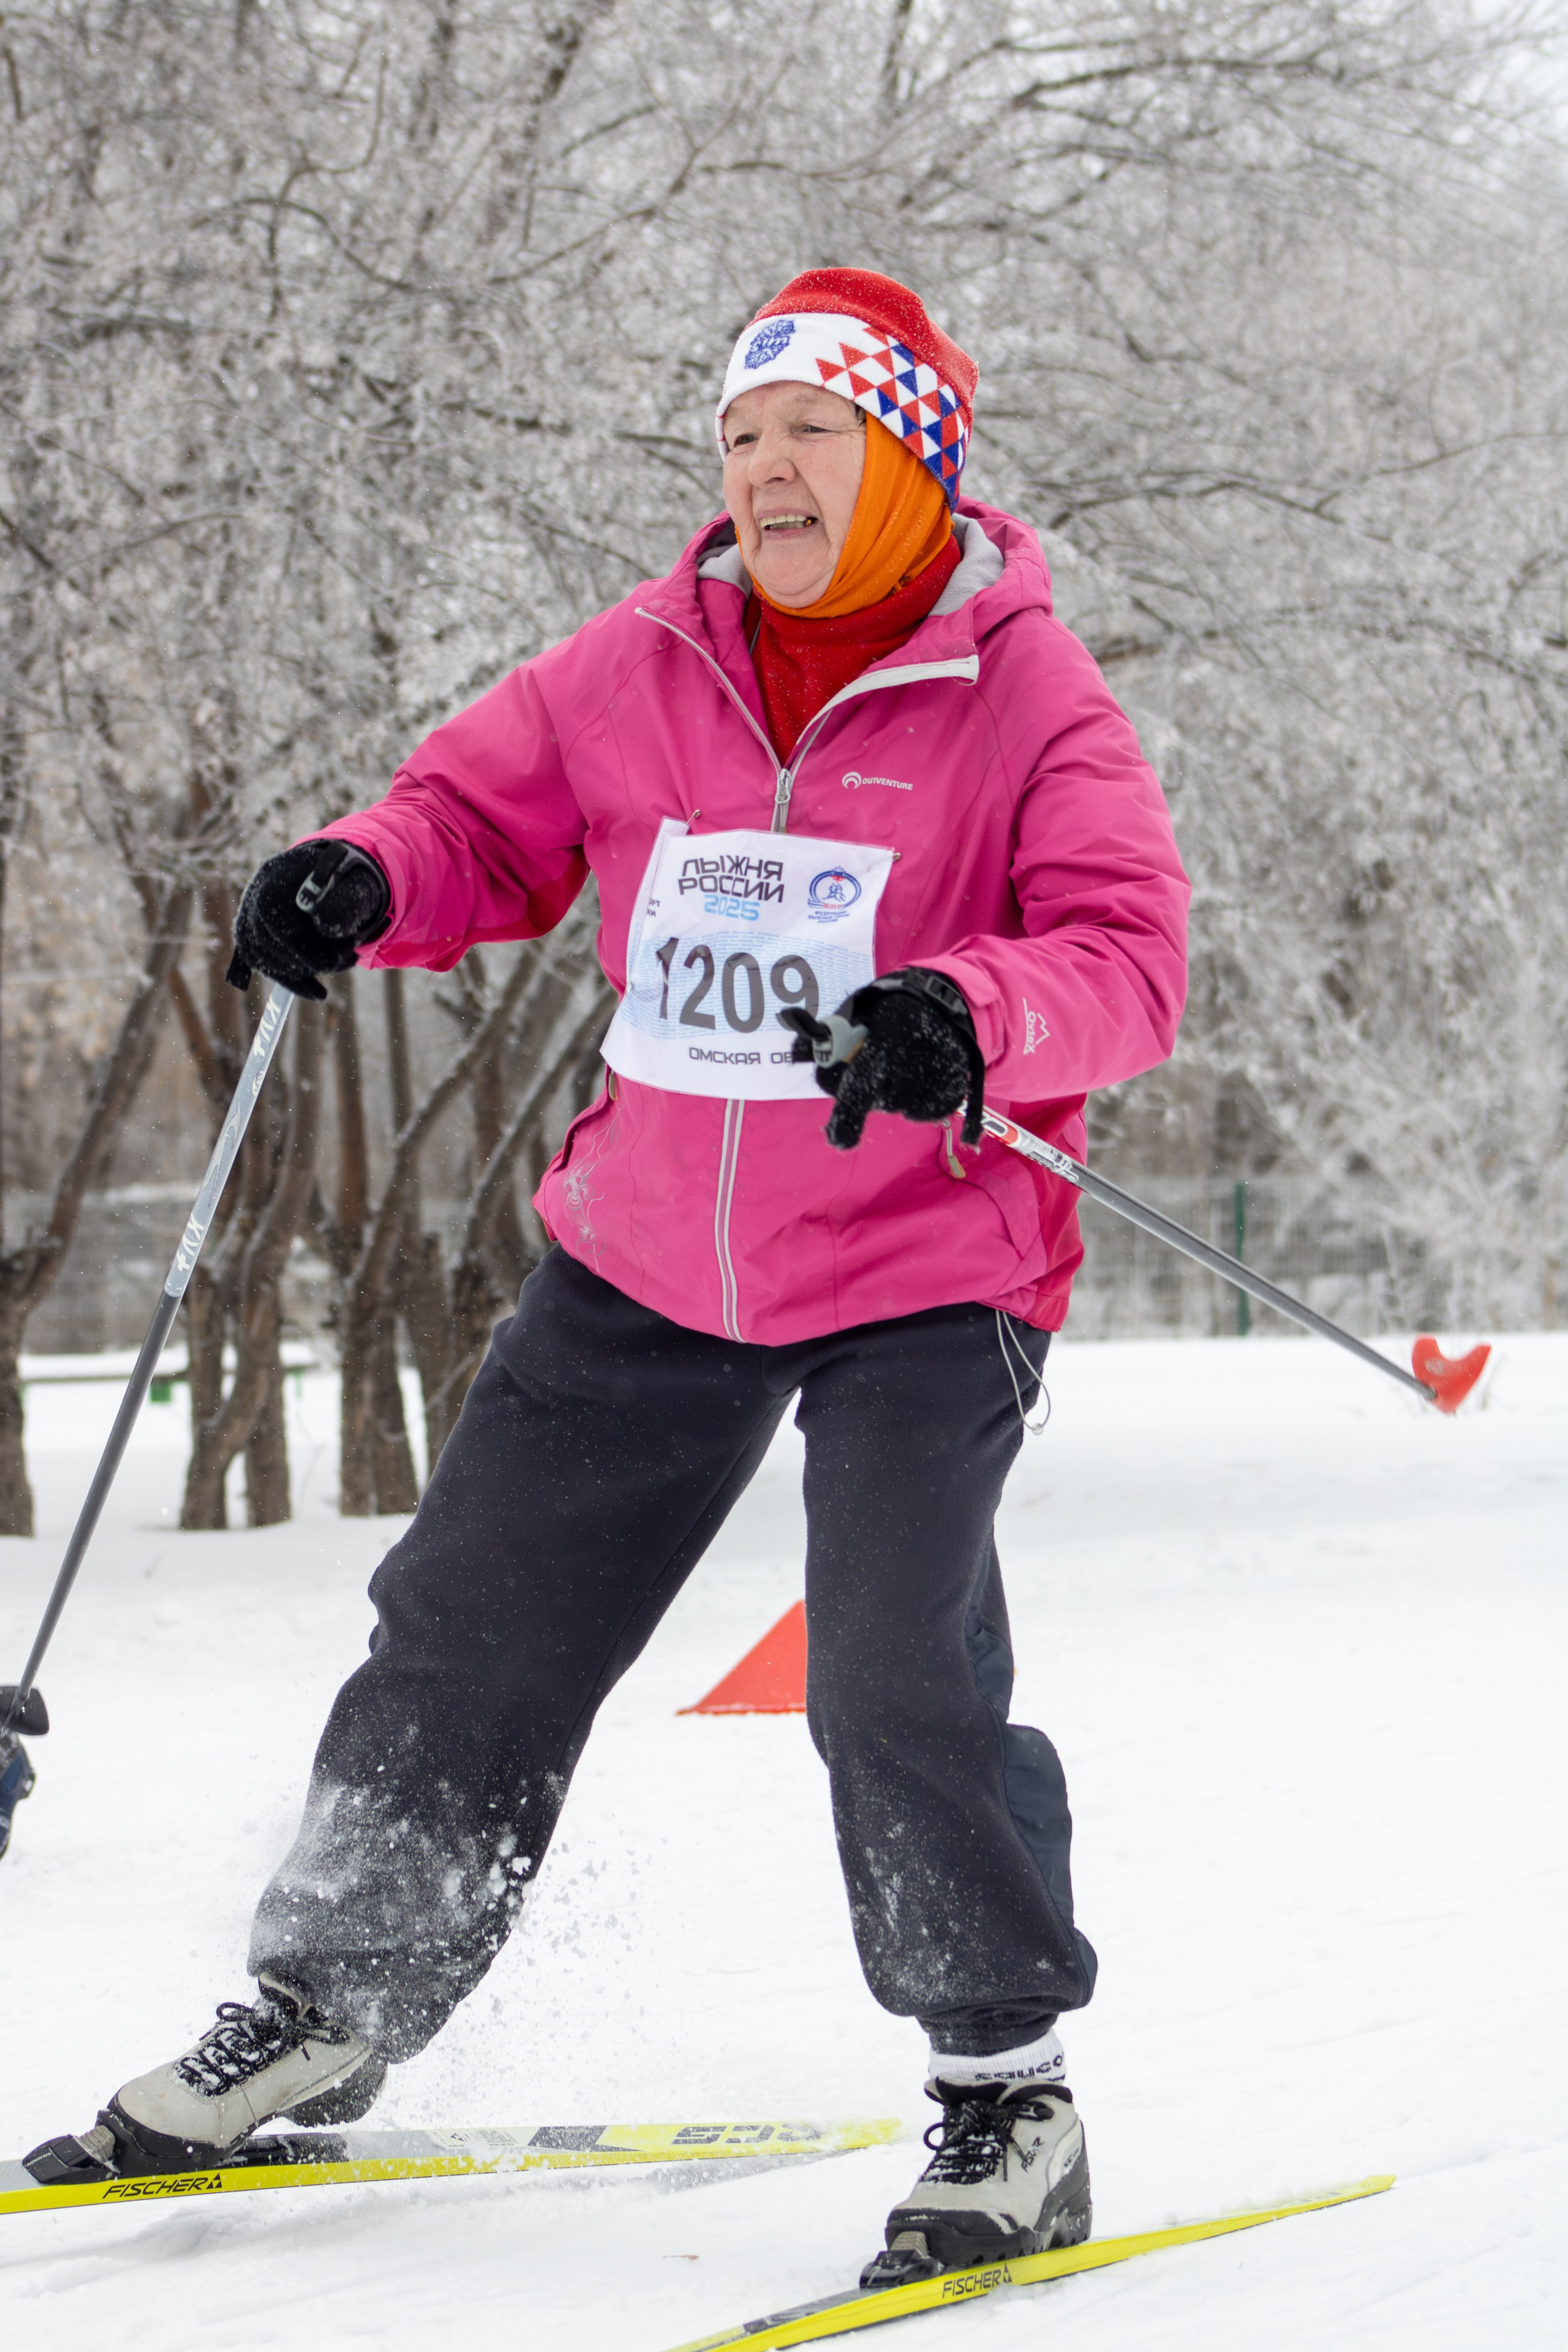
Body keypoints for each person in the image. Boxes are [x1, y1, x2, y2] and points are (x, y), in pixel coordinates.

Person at [32, 271, 1188, 2283]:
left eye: (809, 437)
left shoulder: (1028, 697)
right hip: (649, 1251)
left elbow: (1130, 958)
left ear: (914, 456)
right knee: (463, 1631)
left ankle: (1007, 2090)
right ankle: (328, 2012)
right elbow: (475, 821)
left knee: (899, 1672)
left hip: (928, 1260)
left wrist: (964, 1012)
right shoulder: (642, 659)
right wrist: (365, 876)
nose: (765, 476)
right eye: (739, 443)